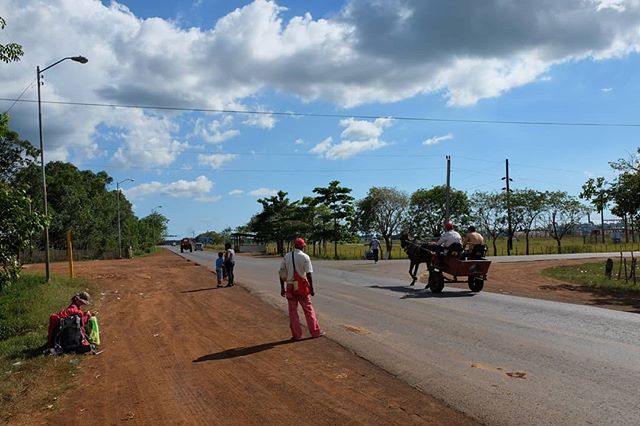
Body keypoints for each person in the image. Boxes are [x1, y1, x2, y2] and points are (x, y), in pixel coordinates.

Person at [278, 238, 324, 341]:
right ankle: (315, 332)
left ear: (294, 246)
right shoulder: (305, 257)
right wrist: (311, 288)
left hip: (290, 286)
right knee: (308, 310)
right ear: (302, 246)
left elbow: (281, 272)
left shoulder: (287, 256)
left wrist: (282, 288)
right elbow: (308, 274)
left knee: (293, 312)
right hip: (302, 286)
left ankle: (296, 335)